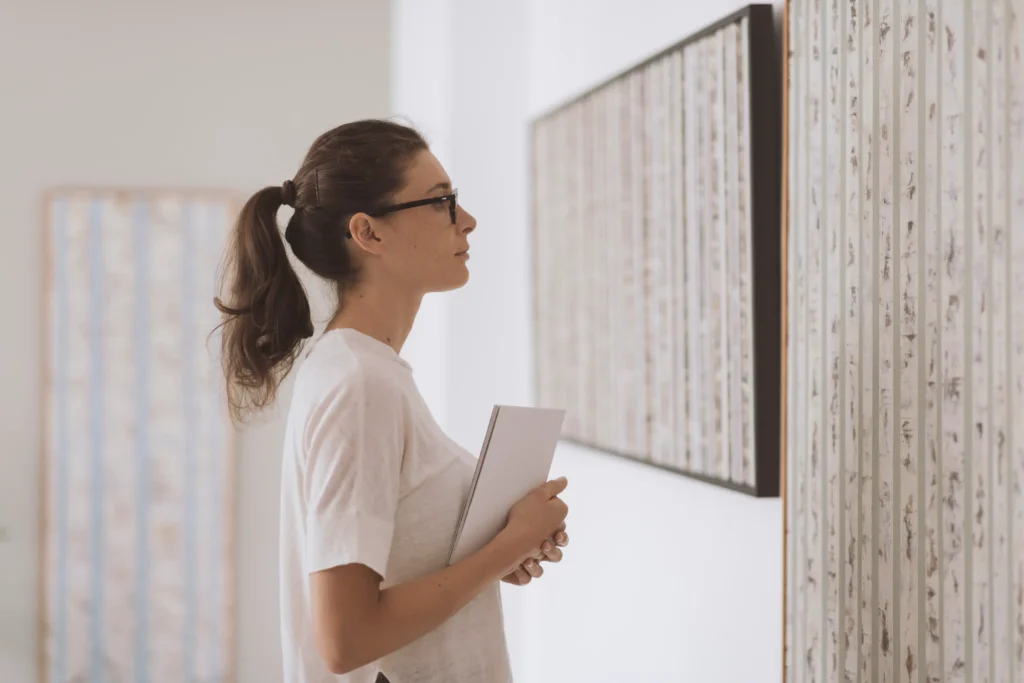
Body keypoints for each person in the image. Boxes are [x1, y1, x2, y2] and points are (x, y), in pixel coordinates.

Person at [214, 119, 570, 683]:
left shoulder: (363, 372)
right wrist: (509, 547)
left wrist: (493, 551)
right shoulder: (360, 384)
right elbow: (346, 639)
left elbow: (389, 573)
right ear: (369, 234)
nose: (468, 220)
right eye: (441, 203)